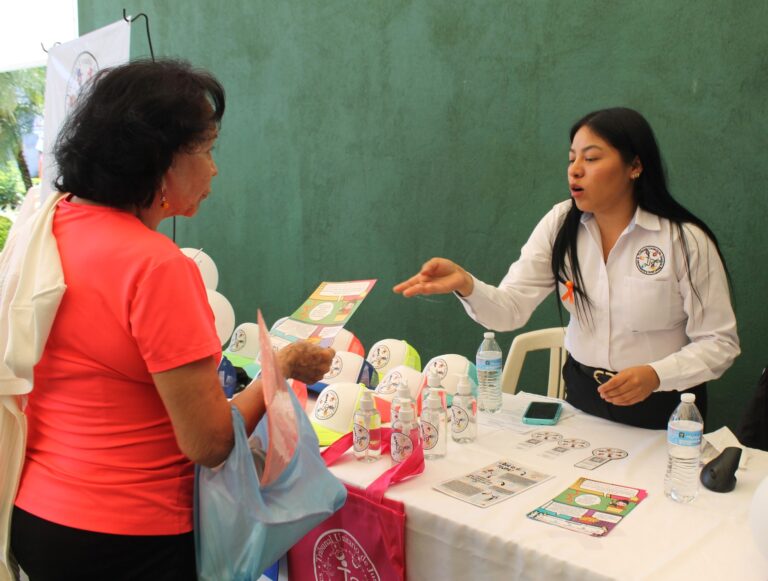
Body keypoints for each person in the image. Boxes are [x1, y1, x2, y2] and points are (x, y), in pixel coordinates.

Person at [5, 59, 333, 580]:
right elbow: (207, 443)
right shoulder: (155, 267)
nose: (215, 169)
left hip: (40, 520)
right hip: (131, 539)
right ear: (157, 161)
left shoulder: (49, 229)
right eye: (206, 149)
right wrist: (282, 366)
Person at [394, 107, 739, 430]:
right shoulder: (561, 224)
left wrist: (656, 375)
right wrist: (467, 285)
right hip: (583, 399)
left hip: (663, 407)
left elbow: (719, 342)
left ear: (634, 166)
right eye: (572, 159)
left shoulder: (682, 239)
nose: (575, 169)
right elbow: (510, 310)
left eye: (591, 158)